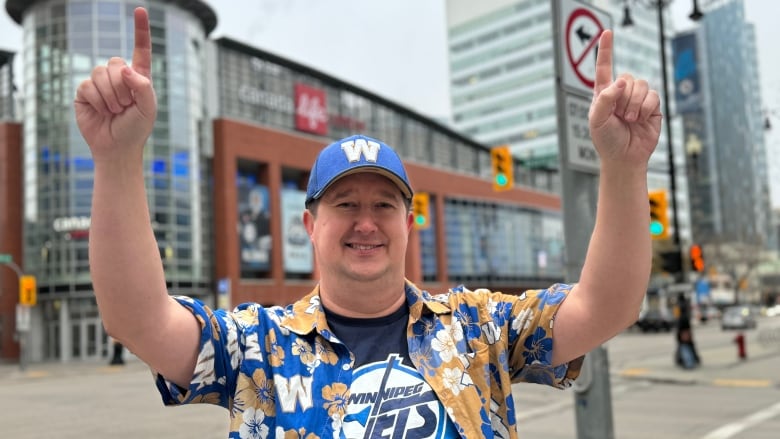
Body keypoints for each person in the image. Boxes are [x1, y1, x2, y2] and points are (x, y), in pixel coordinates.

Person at [74, 7, 660, 438]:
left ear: (409, 221)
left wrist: (625, 166)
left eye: (383, 205)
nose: (366, 223)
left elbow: (607, 307)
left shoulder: (480, 329)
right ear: (309, 224)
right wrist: (118, 160)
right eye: (344, 204)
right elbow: (138, 319)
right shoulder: (257, 345)